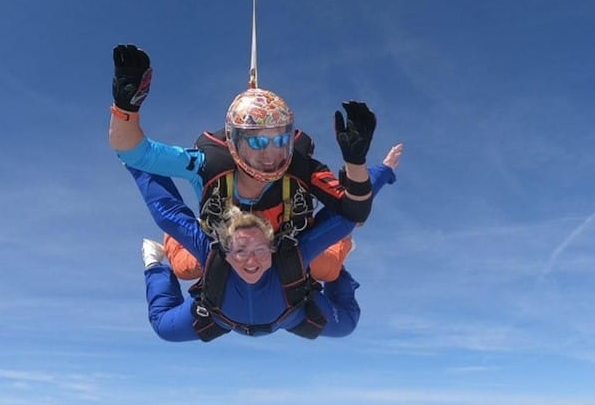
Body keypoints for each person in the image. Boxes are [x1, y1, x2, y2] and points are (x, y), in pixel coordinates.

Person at [109, 44, 375, 284]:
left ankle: (343, 243)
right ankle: (173, 240)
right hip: (229, 244)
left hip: (288, 244)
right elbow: (134, 152)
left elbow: (356, 210)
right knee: (185, 267)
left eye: (280, 140)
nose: (271, 154)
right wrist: (126, 108)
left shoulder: (303, 167)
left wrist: (356, 162)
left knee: (326, 269)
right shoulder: (208, 164)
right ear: (234, 141)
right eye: (257, 142)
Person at [132, 143, 402, 341]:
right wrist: (133, 157)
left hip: (288, 313)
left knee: (345, 317)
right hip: (235, 315)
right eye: (241, 250)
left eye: (260, 249)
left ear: (273, 247)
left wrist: (382, 170)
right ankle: (155, 262)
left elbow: (349, 214)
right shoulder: (212, 251)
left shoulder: (293, 255)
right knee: (166, 320)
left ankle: (337, 261)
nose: (251, 260)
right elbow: (166, 212)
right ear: (227, 251)